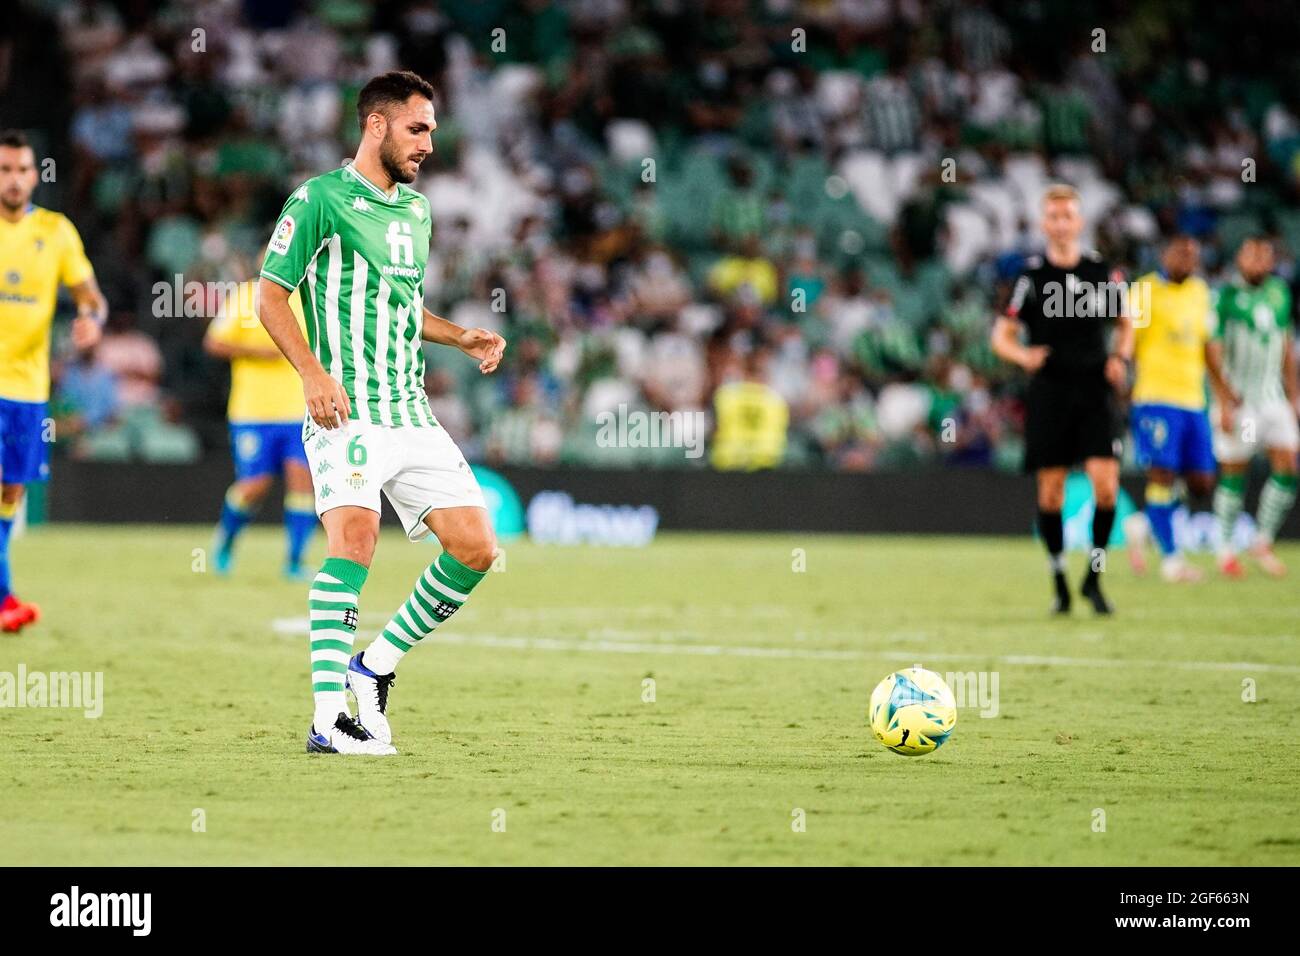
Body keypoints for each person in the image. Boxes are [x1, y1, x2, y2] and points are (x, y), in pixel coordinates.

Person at [257, 71, 506, 756]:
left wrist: (461, 336)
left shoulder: (417, 213)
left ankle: (374, 666)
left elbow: (399, 305)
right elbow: (270, 296)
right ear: (377, 125)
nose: (429, 142)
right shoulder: (320, 200)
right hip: (349, 413)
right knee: (355, 543)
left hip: (411, 411)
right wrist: (312, 375)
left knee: (478, 547)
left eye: (431, 129)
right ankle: (326, 716)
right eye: (417, 128)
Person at [990, 184, 1132, 614]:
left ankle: (1093, 578)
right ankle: (1058, 580)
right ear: (1043, 223)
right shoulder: (1030, 278)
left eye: (1068, 215)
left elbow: (1127, 322)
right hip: (1050, 391)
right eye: (1054, 216)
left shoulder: (1100, 271)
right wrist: (1023, 356)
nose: (1061, 223)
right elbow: (1001, 335)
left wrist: (1119, 358)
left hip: (1093, 390)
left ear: (1080, 221)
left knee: (1106, 488)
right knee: (1050, 494)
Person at [0, 129, 107, 632]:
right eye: (5, 170)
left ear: (34, 175)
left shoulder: (56, 231)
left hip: (25, 389)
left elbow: (91, 297)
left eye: (22, 170)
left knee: (10, 493)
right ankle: (4, 599)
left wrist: (92, 320)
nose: (15, 180)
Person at [1130, 235, 1234, 582]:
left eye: (1193, 255)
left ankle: (1145, 523)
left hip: (1194, 400)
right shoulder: (1144, 291)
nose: (1187, 260)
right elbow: (1127, 338)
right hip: (1155, 397)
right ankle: (1172, 560)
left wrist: (1223, 394)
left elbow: (1209, 347)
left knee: (1202, 482)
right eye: (1180, 253)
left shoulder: (1202, 293)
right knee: (1162, 473)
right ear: (1164, 254)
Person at [204, 273, 317, 579]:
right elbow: (214, 342)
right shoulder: (247, 296)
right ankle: (225, 540)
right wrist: (259, 353)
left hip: (299, 409)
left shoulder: (310, 298)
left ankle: (295, 561)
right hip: (252, 410)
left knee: (302, 480)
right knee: (255, 486)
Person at [1209, 237, 1298, 577]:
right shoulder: (1225, 297)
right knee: (1236, 470)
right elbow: (1212, 351)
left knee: (1287, 465)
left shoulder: (1280, 292)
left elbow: (1285, 345)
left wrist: (1294, 397)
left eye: (1265, 257)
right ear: (1239, 259)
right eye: (1253, 256)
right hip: (1241, 403)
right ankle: (1225, 548)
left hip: (1273, 400)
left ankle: (1261, 540)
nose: (1259, 262)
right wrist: (1223, 401)